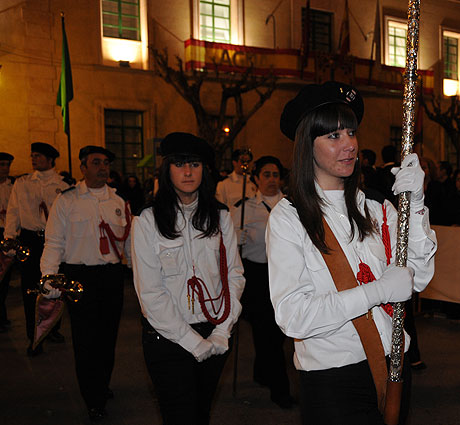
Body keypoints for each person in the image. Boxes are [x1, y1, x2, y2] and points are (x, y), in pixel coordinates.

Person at [269, 81, 437, 424]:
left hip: (394, 365)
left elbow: (416, 275)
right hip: (333, 379)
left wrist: (417, 205)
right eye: (333, 136)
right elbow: (293, 315)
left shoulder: (377, 207)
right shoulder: (289, 217)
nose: (349, 145)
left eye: (351, 132)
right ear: (307, 145)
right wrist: (377, 291)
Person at [131, 132, 245, 425]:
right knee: (179, 416)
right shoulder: (147, 220)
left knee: (201, 413)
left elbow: (234, 275)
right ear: (167, 170)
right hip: (167, 335)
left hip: (214, 331)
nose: (187, 172)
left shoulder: (220, 216)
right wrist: (191, 342)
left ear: (204, 170)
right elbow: (150, 293)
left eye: (194, 164)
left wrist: (222, 330)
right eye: (179, 164)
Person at [40, 146, 131, 421]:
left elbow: (131, 243)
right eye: (96, 163)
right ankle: (92, 397)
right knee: (85, 340)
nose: (103, 167)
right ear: (83, 167)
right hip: (79, 276)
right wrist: (49, 278)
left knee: (108, 337)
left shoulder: (118, 201)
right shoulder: (67, 201)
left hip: (112, 277)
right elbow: (54, 242)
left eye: (106, 163)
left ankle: (101, 383)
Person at [231, 155, 294, 409]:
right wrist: (237, 239)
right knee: (266, 332)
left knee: (277, 334)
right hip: (257, 276)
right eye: (266, 174)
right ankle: (280, 391)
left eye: (275, 174)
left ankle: (262, 372)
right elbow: (228, 247)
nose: (271, 179)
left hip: (286, 275)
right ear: (256, 178)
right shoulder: (243, 208)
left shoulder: (291, 206)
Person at [5, 142, 71, 355]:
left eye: (38, 156)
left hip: (55, 240)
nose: (34, 159)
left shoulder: (63, 184)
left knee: (55, 287)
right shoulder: (22, 183)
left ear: (51, 159)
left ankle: (52, 327)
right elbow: (13, 211)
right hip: (30, 240)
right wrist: (9, 238)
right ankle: (33, 336)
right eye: (32, 155)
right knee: (30, 289)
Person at [0, 152, 15, 333]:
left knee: (4, 276)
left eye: (7, 165)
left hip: (7, 233)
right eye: (2, 164)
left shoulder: (13, 187)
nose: (5, 168)